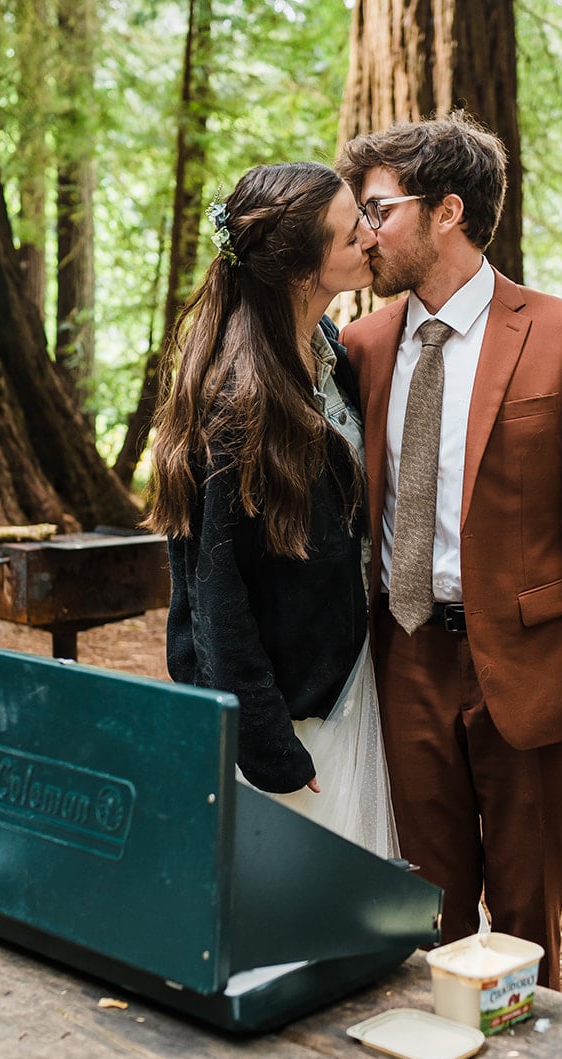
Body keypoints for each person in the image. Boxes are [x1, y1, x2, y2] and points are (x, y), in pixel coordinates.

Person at [336, 114, 562, 989]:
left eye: (377, 209)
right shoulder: (359, 347)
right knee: (424, 914)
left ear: (446, 211)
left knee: (526, 923)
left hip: (527, 668)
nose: (362, 231)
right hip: (401, 661)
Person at [147, 162, 396, 856]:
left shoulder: (331, 362)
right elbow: (214, 595)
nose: (370, 240)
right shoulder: (239, 403)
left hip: (346, 684)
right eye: (352, 235)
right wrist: (267, 743)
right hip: (289, 718)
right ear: (299, 270)